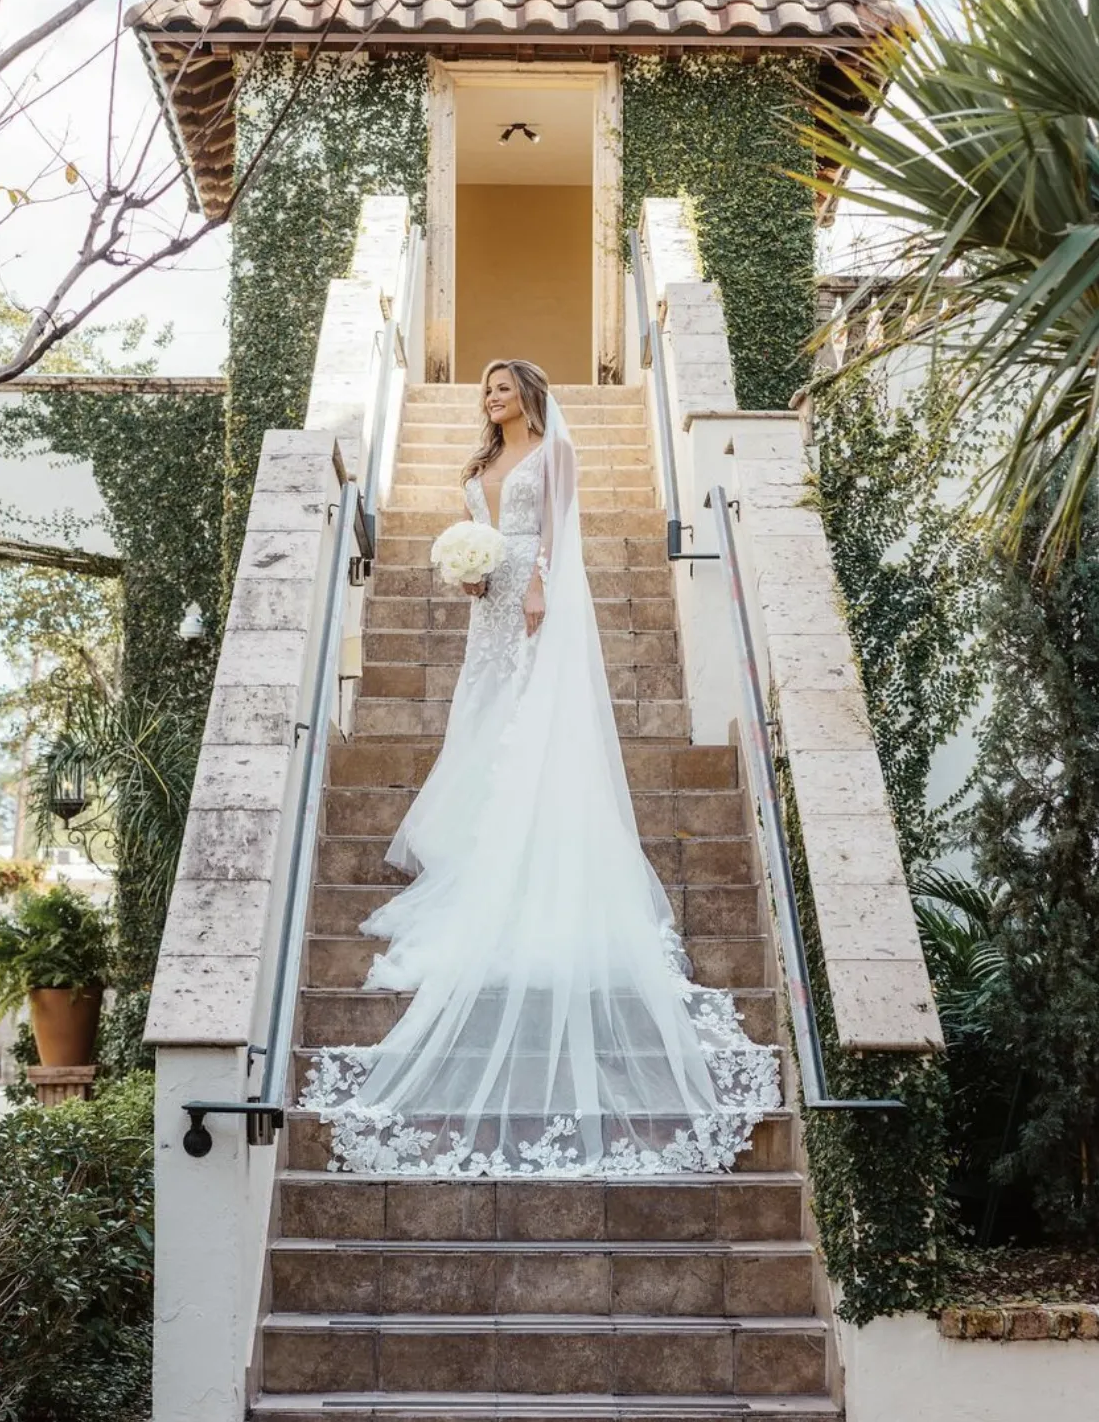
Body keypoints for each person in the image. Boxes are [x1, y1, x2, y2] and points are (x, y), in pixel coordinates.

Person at [302, 359, 779, 1175]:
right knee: (482, 718)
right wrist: (472, 575)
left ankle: (533, 843)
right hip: (488, 606)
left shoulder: (556, 450)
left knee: (530, 722)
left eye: (503, 387)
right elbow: (475, 534)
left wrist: (537, 587)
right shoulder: (480, 465)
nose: (493, 399)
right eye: (484, 392)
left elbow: (562, 528)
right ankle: (485, 844)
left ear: (529, 392)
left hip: (534, 597)